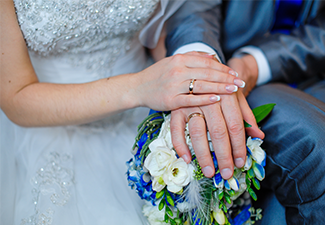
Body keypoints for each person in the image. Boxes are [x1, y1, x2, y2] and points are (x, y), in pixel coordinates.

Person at [0, 0, 252, 224]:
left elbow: (159, 32)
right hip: (50, 129)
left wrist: (197, 86)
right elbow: (16, 97)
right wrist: (139, 87)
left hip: (143, 113)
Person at [166, 0, 325, 224]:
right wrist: (201, 67)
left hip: (313, 70)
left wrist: (254, 64)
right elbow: (194, 8)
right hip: (224, 61)